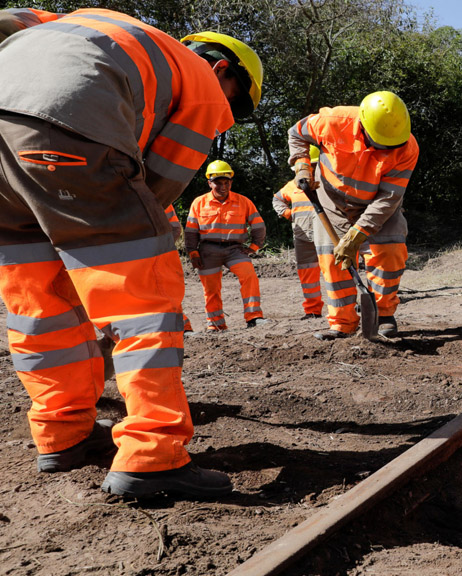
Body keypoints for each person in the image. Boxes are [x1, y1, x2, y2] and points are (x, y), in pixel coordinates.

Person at [0, 7, 263, 498]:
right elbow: (159, 185)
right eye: (236, 104)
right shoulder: (200, 81)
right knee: (143, 298)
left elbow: (11, 20)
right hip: (70, 124)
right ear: (223, 70)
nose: (227, 114)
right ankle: (153, 455)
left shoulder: (99, 26)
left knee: (36, 298)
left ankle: (63, 434)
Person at [287, 91, 419, 340]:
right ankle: (343, 324)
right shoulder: (333, 121)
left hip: (378, 205)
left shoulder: (408, 147)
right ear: (363, 126)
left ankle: (384, 314)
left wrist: (358, 234)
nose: (385, 150)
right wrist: (302, 165)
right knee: (332, 259)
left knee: (390, 250)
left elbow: (388, 199)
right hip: (332, 202)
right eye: (380, 144)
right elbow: (296, 133)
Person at [185, 161, 270, 330]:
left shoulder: (243, 201)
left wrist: (254, 247)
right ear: (210, 182)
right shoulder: (199, 203)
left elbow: (258, 226)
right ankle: (216, 324)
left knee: (249, 276)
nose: (223, 186)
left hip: (235, 250)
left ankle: (254, 317)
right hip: (208, 251)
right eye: (218, 183)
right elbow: (191, 231)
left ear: (231, 182)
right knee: (211, 288)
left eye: (226, 182)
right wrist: (193, 252)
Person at [272, 146, 324, 320]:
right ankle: (312, 310)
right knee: (307, 274)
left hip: (326, 236)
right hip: (303, 238)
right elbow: (277, 199)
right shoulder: (292, 185)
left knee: (338, 271)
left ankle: (346, 306)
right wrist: (288, 214)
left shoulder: (327, 183)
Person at [165, 206, 195, 334]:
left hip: (155, 254)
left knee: (165, 290)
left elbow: (175, 227)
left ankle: (183, 327)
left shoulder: (158, 195)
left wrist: (159, 248)